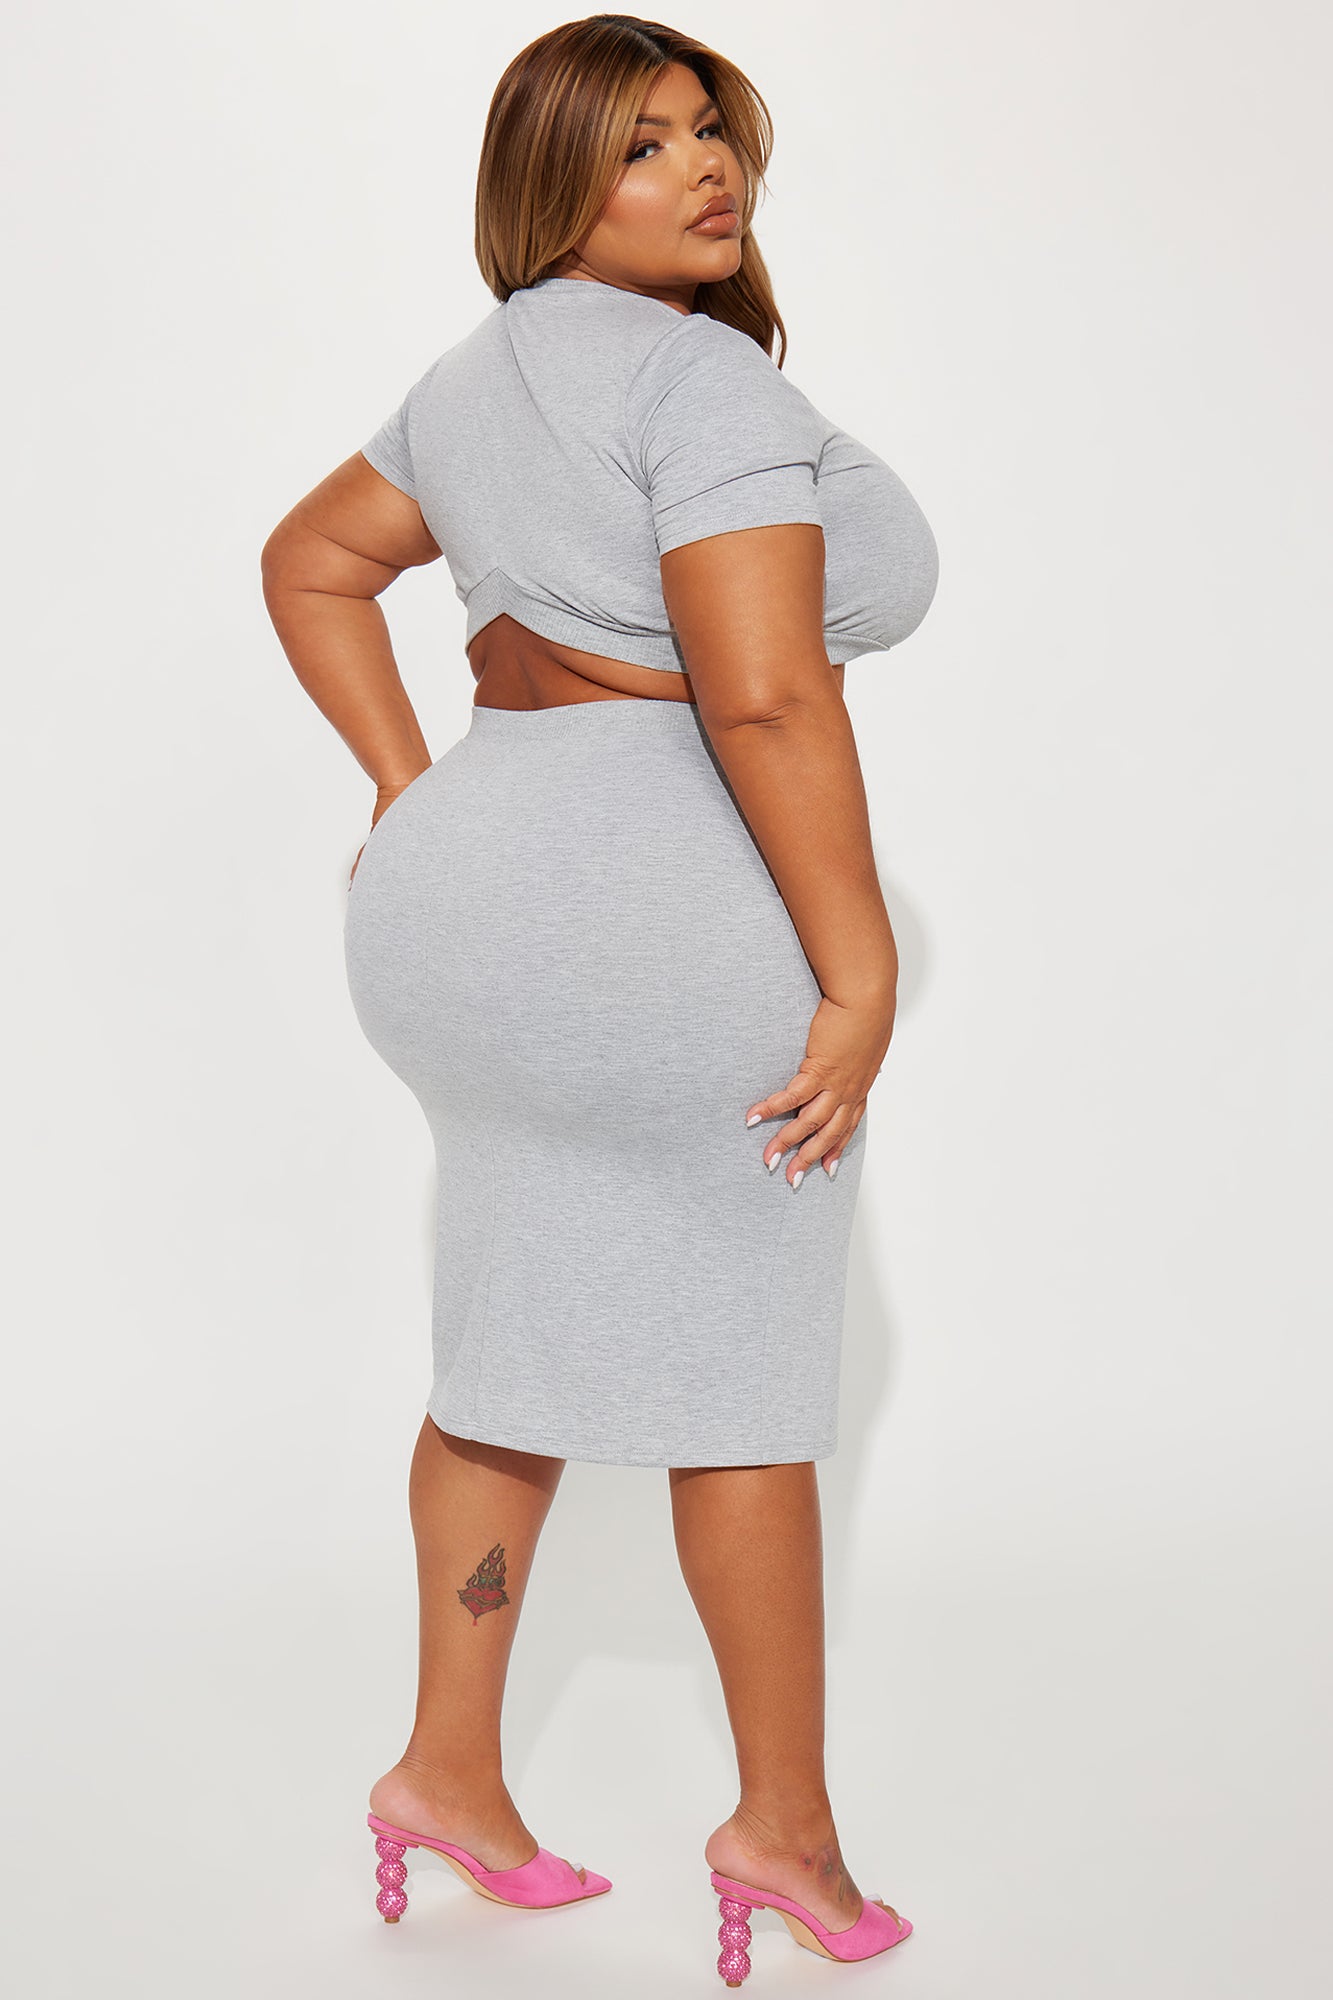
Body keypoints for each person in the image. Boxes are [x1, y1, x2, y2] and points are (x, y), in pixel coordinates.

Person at [260, 14, 937, 1982]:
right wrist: (860, 966)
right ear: (550, 186)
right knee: (743, 1377)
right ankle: (784, 1834)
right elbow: (764, 694)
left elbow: (310, 564)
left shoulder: (474, 381)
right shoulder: (696, 382)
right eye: (641, 145)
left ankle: (444, 1773)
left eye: (709, 129)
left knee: (507, 1338)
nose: (703, 166)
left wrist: (405, 785)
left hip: (462, 903)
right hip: (650, 910)